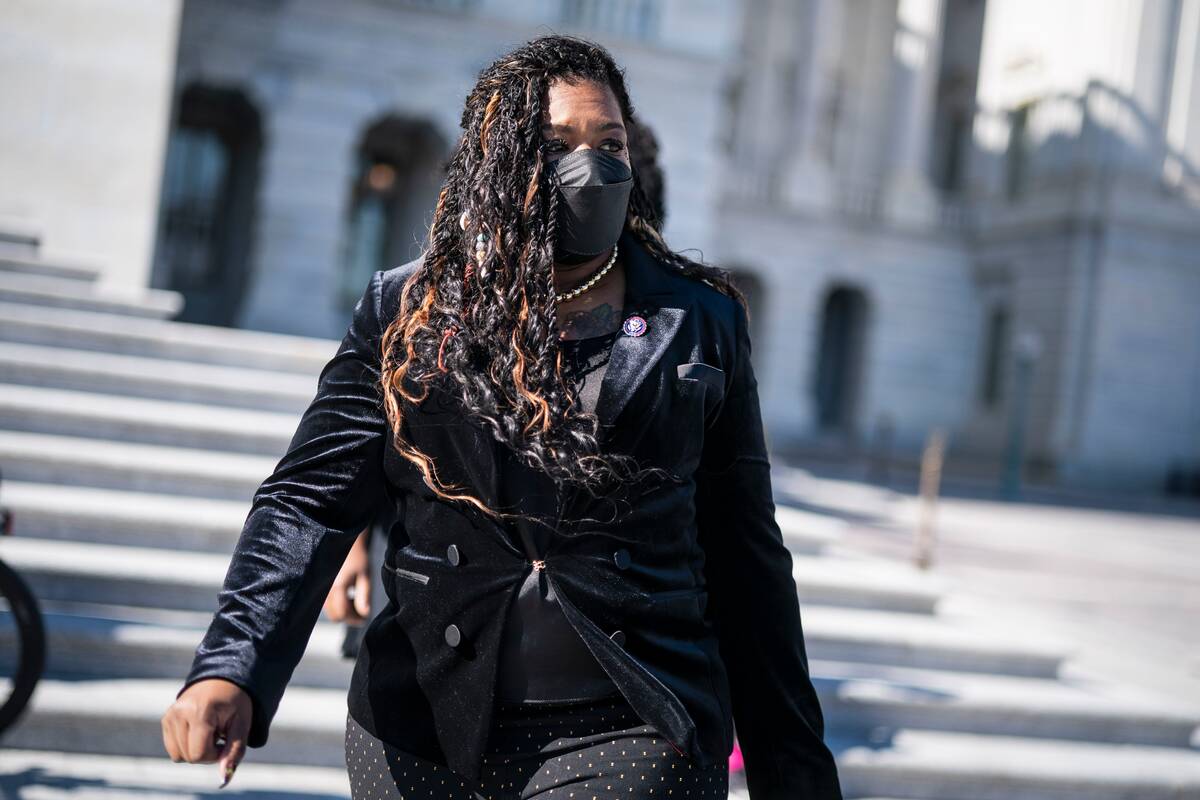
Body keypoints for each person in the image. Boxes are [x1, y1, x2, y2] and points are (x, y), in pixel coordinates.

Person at [161, 34, 843, 800]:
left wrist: (793, 771)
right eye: (558, 146)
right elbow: (310, 498)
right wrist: (234, 662)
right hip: (421, 726)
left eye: (609, 142)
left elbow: (748, 555)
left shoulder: (700, 319)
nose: (593, 167)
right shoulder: (409, 307)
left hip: (633, 724)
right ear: (502, 164)